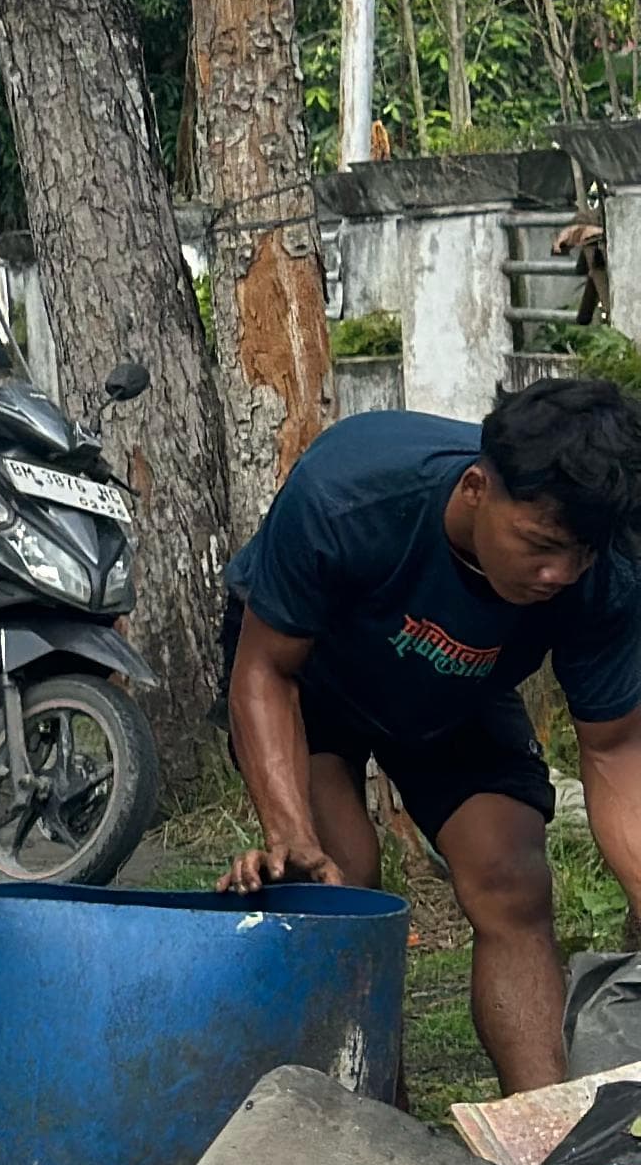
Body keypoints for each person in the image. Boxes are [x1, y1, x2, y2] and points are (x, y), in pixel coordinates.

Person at [222, 377, 641, 1099]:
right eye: (541, 546)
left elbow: (614, 752)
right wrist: (289, 831)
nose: (560, 574)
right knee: (341, 882)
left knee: (511, 879)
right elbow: (264, 670)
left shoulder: (607, 569)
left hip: (459, 691)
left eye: (581, 554)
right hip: (310, 683)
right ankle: (372, 1122)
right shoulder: (348, 493)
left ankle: (546, 1135)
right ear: (477, 489)